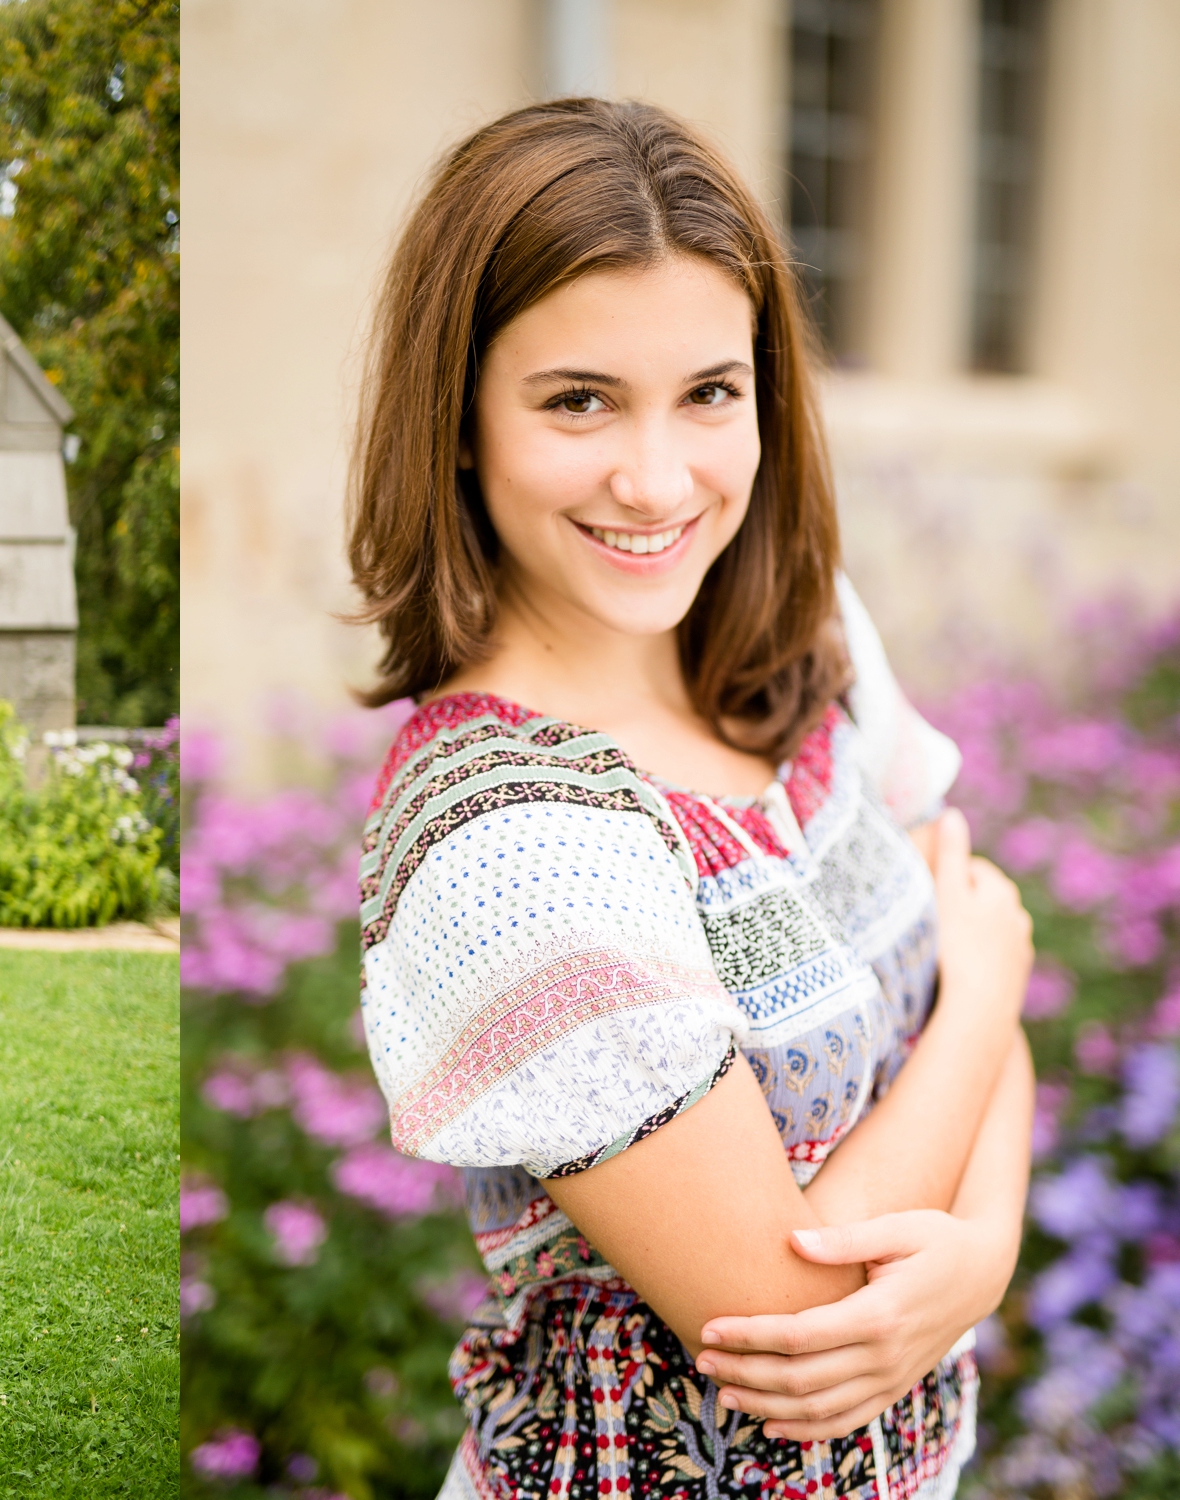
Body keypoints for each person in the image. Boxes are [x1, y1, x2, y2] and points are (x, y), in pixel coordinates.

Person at [349, 100, 1034, 1498]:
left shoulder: (804, 641)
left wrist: (986, 1253)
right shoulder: (510, 841)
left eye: (710, 394)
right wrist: (991, 993)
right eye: (577, 399)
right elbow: (781, 1309)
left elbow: (960, 936)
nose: (657, 483)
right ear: (461, 420)